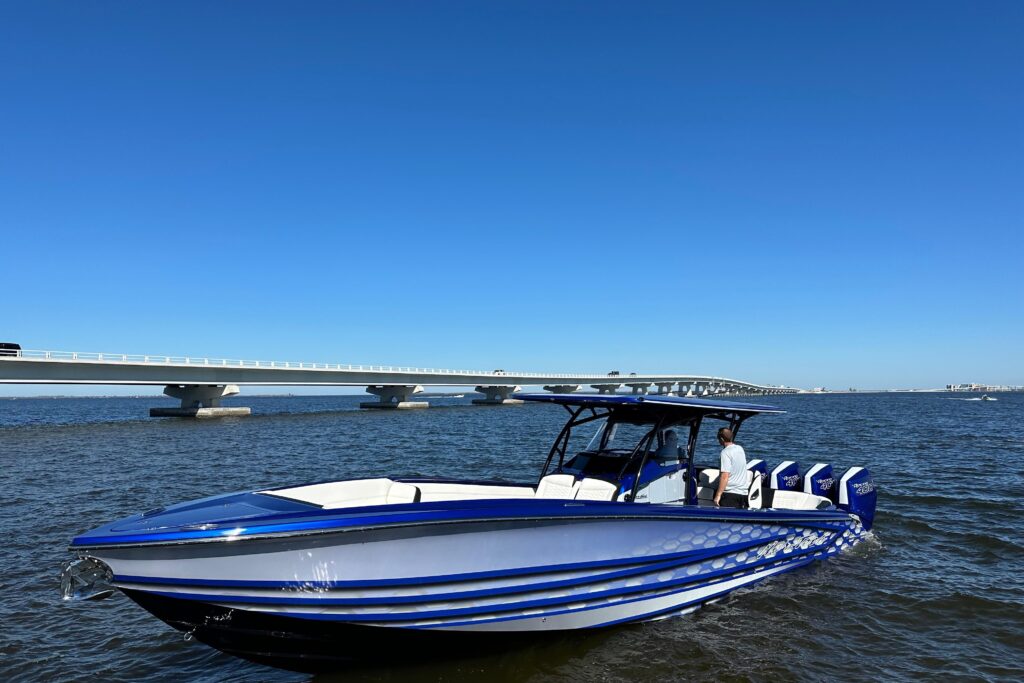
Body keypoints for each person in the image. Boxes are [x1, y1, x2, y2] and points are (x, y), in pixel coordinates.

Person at [713, 427, 749, 508]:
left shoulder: (725, 453)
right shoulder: (740, 449)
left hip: (730, 495)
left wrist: (718, 495)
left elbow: (725, 476)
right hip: (743, 493)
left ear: (722, 439)